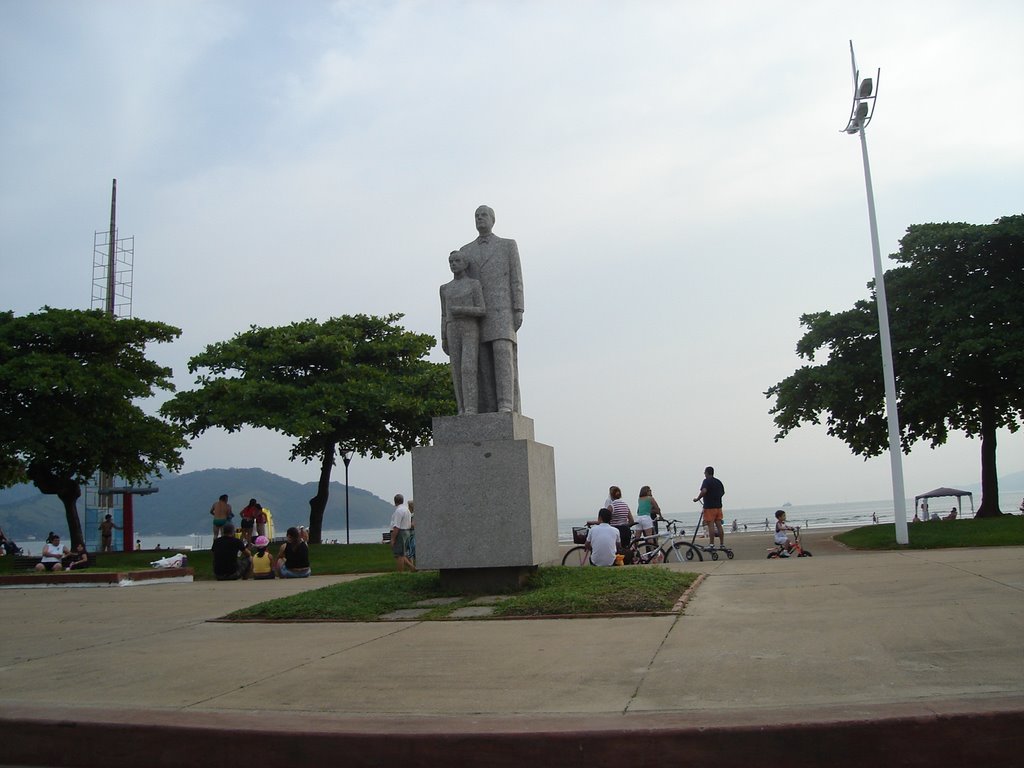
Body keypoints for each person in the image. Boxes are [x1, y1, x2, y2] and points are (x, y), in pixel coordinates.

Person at [458, 205, 524, 413]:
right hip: (475, 313)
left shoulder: (507, 245)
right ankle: (487, 406)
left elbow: (516, 278)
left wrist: (518, 308)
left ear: (493, 219)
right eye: (476, 216)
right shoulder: (465, 251)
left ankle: (506, 403)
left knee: (502, 353)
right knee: (482, 360)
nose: (480, 219)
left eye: (483, 215)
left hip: (502, 310)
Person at [440, 249, 486, 414]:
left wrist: (463, 310)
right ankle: (461, 407)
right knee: (456, 369)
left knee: (468, 367)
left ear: (465, 263)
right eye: (451, 262)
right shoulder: (445, 288)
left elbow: (482, 309)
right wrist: (443, 336)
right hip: (452, 328)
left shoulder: (474, 284)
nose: (453, 264)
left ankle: (471, 407)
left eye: (457, 261)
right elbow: (444, 314)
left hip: (469, 327)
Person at [693, 466, 726, 549]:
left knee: (710, 525)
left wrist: (697, 499)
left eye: (704, 472)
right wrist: (717, 497)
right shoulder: (718, 482)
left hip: (709, 507)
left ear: (707, 473)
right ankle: (722, 544)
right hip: (718, 507)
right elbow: (723, 492)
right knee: (719, 525)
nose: (704, 474)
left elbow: (704, 491)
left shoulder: (706, 481)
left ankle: (711, 544)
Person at [606, 486, 635, 563]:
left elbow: (605, 520)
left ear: (611, 495)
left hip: (615, 531)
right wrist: (625, 525)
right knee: (624, 549)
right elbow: (631, 520)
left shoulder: (611, 506)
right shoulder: (625, 505)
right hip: (626, 530)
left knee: (616, 549)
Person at [390, 494, 415, 572]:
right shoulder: (407, 510)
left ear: (395, 501)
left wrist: (393, 539)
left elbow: (396, 526)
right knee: (403, 554)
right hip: (407, 532)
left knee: (399, 555)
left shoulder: (398, 511)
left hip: (401, 533)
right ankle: (412, 568)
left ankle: (400, 573)